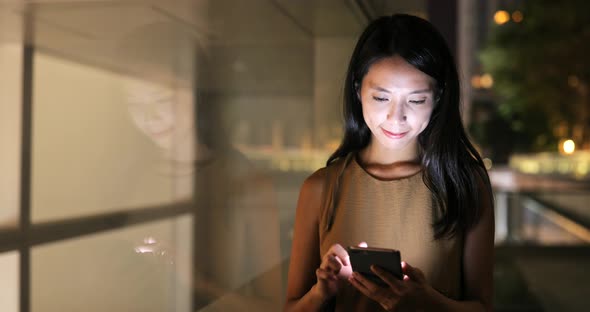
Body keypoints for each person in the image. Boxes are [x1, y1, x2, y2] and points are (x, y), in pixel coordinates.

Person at [284, 14, 494, 311]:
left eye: (417, 100)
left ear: (438, 98)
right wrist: (322, 293)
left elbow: (483, 307)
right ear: (358, 91)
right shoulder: (321, 188)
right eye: (381, 98)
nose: (396, 118)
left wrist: (426, 302)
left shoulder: (465, 183)